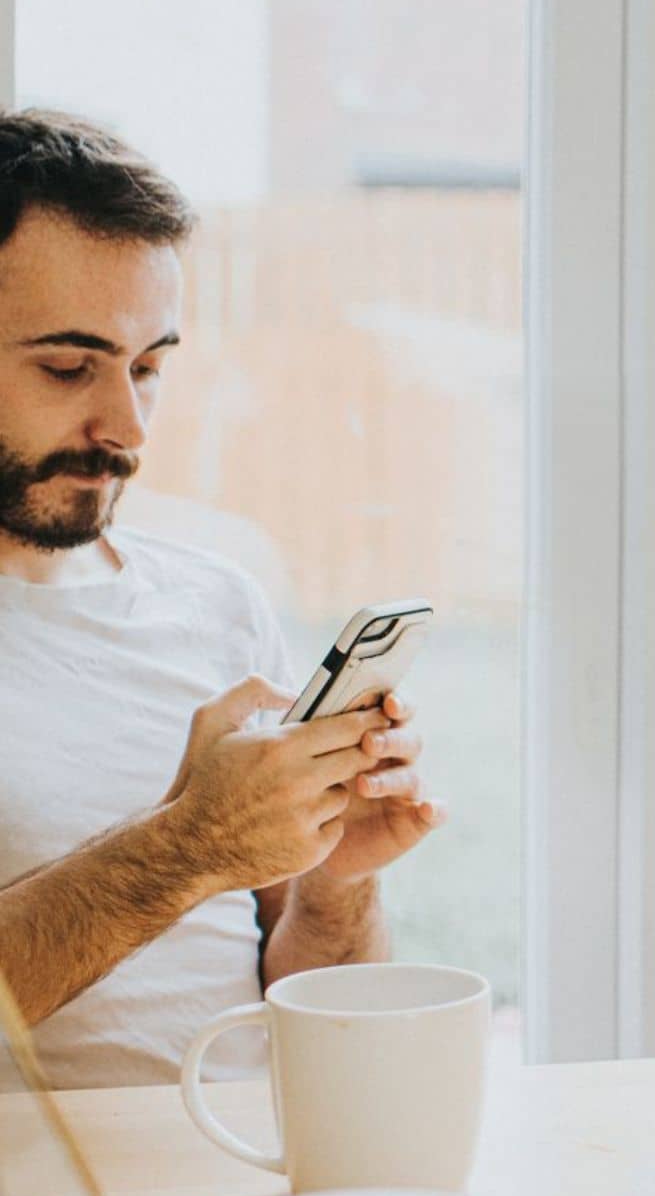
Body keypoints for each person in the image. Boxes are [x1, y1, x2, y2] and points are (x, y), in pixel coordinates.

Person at [0, 109, 445, 1089]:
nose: (127, 425)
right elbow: (187, 856)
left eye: (149, 367)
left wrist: (334, 879)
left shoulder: (216, 602)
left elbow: (320, 1014)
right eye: (68, 366)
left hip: (247, 1184)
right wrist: (189, 846)